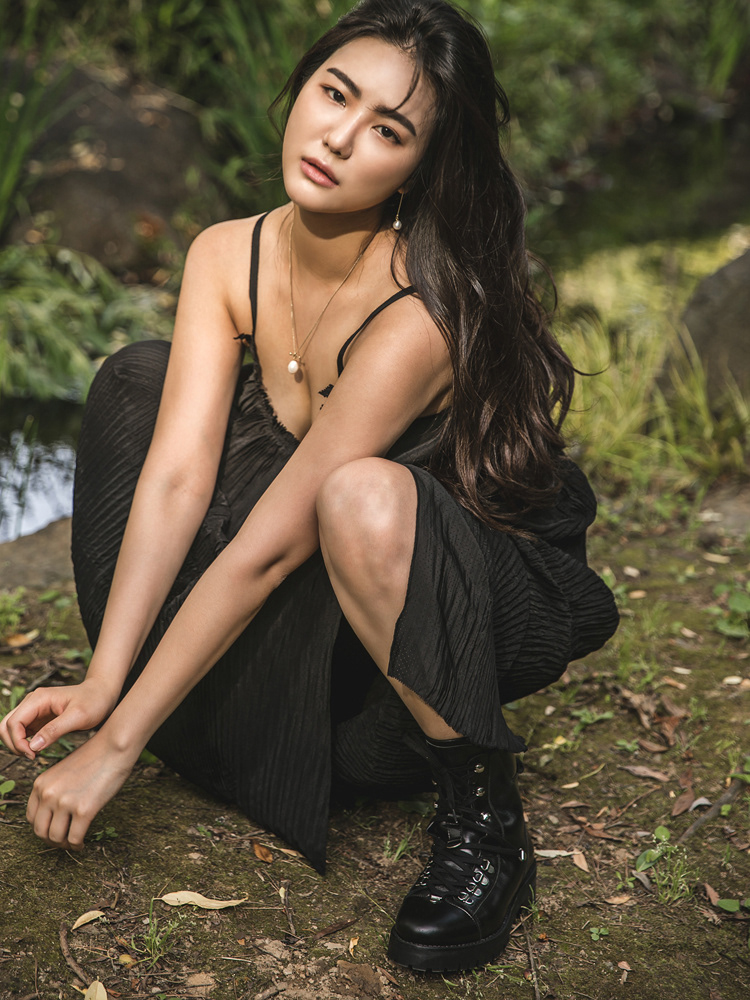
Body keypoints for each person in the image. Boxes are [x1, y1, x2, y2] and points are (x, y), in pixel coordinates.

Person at [0, 0, 618, 973]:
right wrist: (105, 685)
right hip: (310, 608)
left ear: (419, 167)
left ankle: (486, 820)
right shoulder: (226, 252)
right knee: (139, 380)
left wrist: (117, 749)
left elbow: (272, 545)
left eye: (388, 130)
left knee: (358, 494)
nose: (338, 137)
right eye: (335, 94)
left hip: (414, 646)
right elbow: (174, 479)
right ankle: (188, 703)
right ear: (302, 87)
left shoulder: (418, 309)